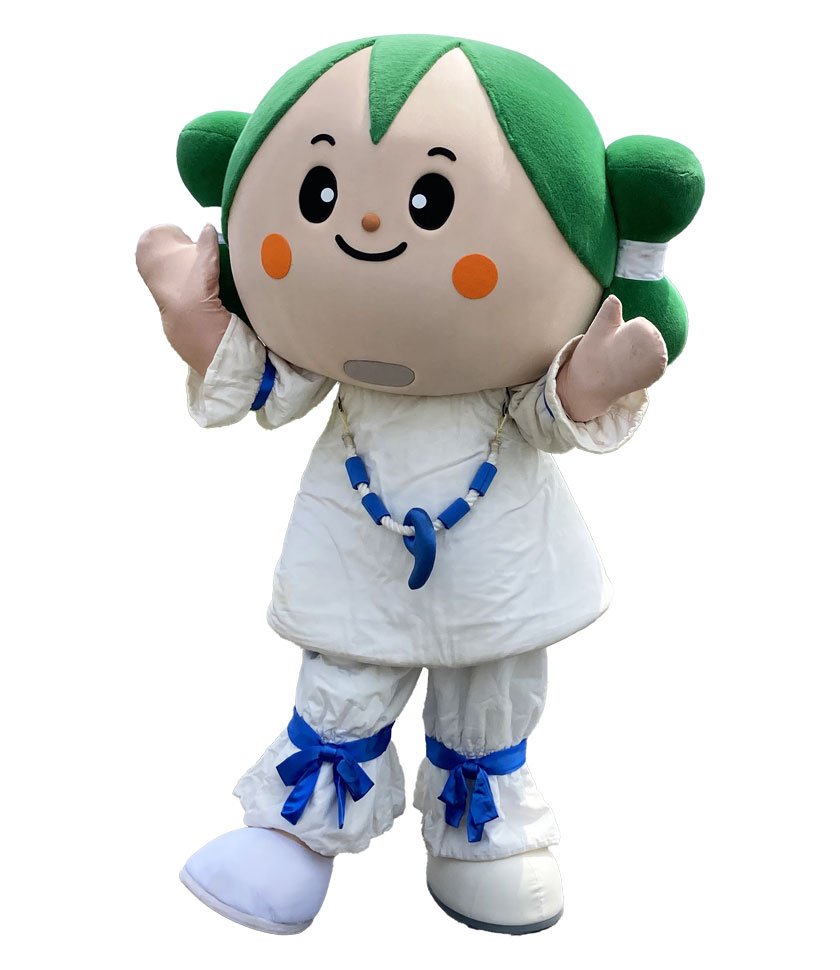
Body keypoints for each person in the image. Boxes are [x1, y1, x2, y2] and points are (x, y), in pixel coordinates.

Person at [136, 34, 703, 935]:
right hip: (357, 543)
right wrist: (200, 326)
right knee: (345, 671)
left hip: (497, 551)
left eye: (429, 199)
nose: (365, 226)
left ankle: (482, 827)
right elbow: (270, 387)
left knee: (492, 681)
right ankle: (301, 828)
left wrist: (588, 384)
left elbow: (542, 417)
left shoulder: (506, 378)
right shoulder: (330, 361)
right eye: (321, 195)